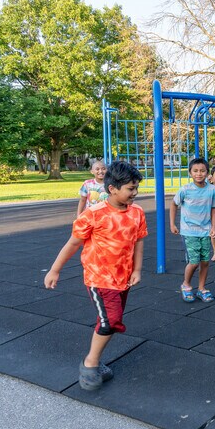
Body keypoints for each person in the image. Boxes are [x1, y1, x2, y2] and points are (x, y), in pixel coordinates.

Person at [44, 161, 147, 391]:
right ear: (113, 189)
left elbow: (138, 241)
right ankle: (90, 364)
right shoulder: (94, 214)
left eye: (136, 187)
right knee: (110, 320)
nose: (135, 193)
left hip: (123, 277)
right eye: (130, 188)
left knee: (111, 320)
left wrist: (137, 269)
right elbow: (72, 243)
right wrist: (55, 269)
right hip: (99, 277)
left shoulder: (137, 212)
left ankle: (95, 361)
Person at [170, 158, 215, 303]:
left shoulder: (211, 189)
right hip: (189, 231)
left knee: (205, 261)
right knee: (194, 261)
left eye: (202, 171)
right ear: (190, 173)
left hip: (205, 230)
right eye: (195, 171)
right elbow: (173, 205)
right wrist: (172, 224)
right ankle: (186, 285)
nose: (199, 174)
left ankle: (202, 288)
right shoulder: (185, 190)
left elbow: (214, 209)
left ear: (207, 172)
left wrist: (213, 227)